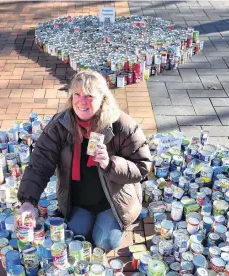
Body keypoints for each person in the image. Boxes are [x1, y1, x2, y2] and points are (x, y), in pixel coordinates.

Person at [17, 70, 151, 251]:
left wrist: (111, 163)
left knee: (104, 242)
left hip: (114, 201)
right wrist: (28, 201)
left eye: (89, 96)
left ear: (103, 98)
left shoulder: (122, 126)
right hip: (78, 200)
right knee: (77, 235)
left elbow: (142, 167)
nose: (81, 102)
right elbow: (40, 164)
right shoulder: (60, 125)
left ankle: (114, 223)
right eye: (77, 94)